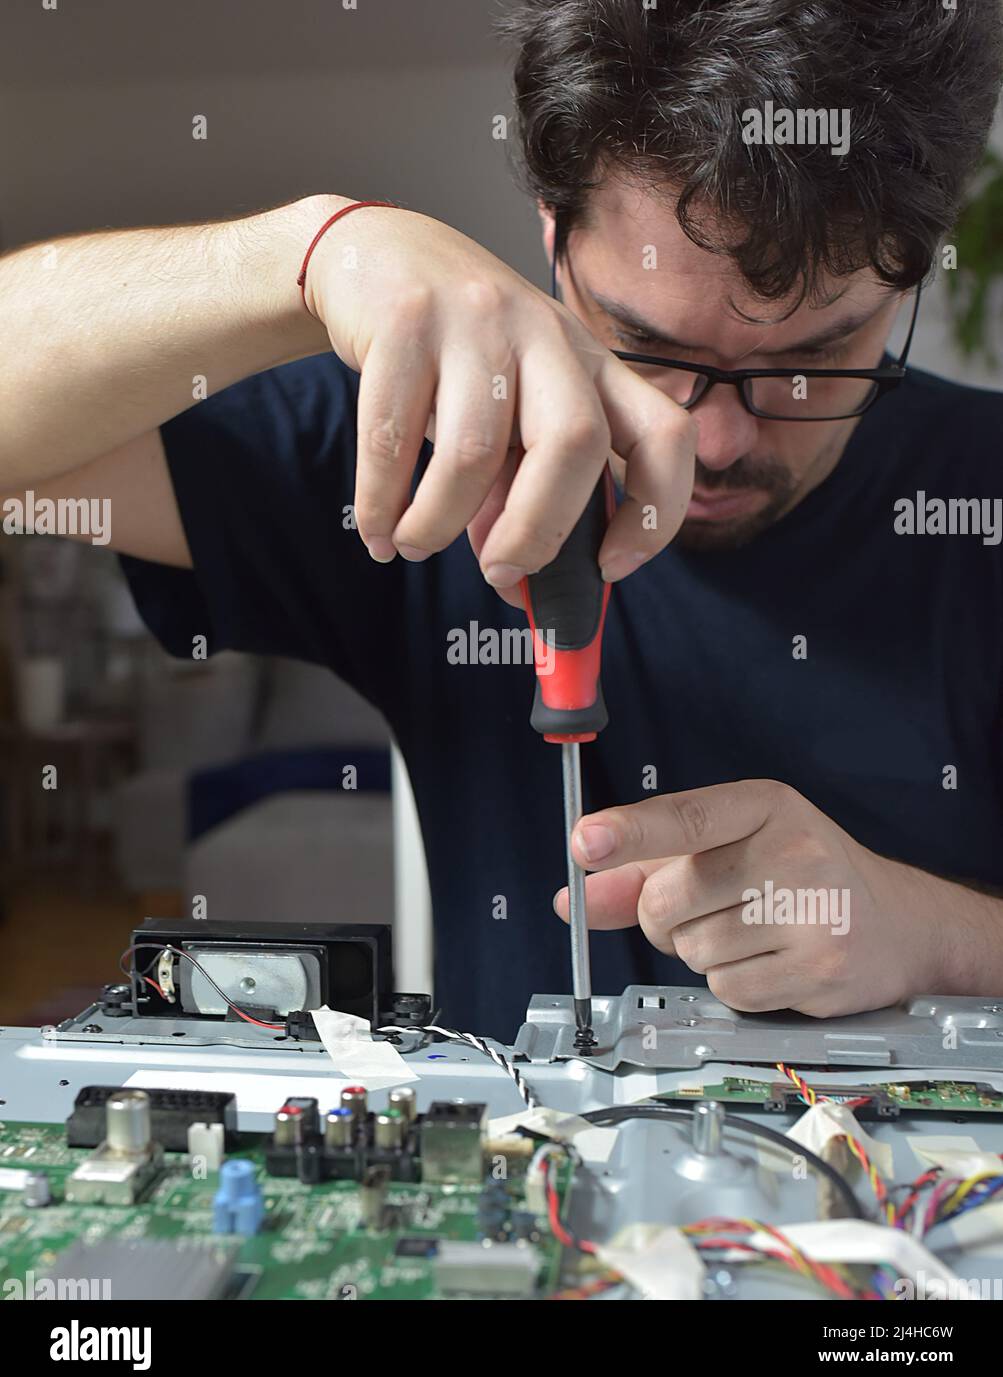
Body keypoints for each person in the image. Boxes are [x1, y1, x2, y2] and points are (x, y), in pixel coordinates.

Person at [3, 0, 1002, 1041]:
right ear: (551, 237)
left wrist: (934, 936)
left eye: (804, 364)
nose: (705, 443)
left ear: (914, 268)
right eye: (642, 346)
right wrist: (314, 253)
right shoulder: (419, 440)